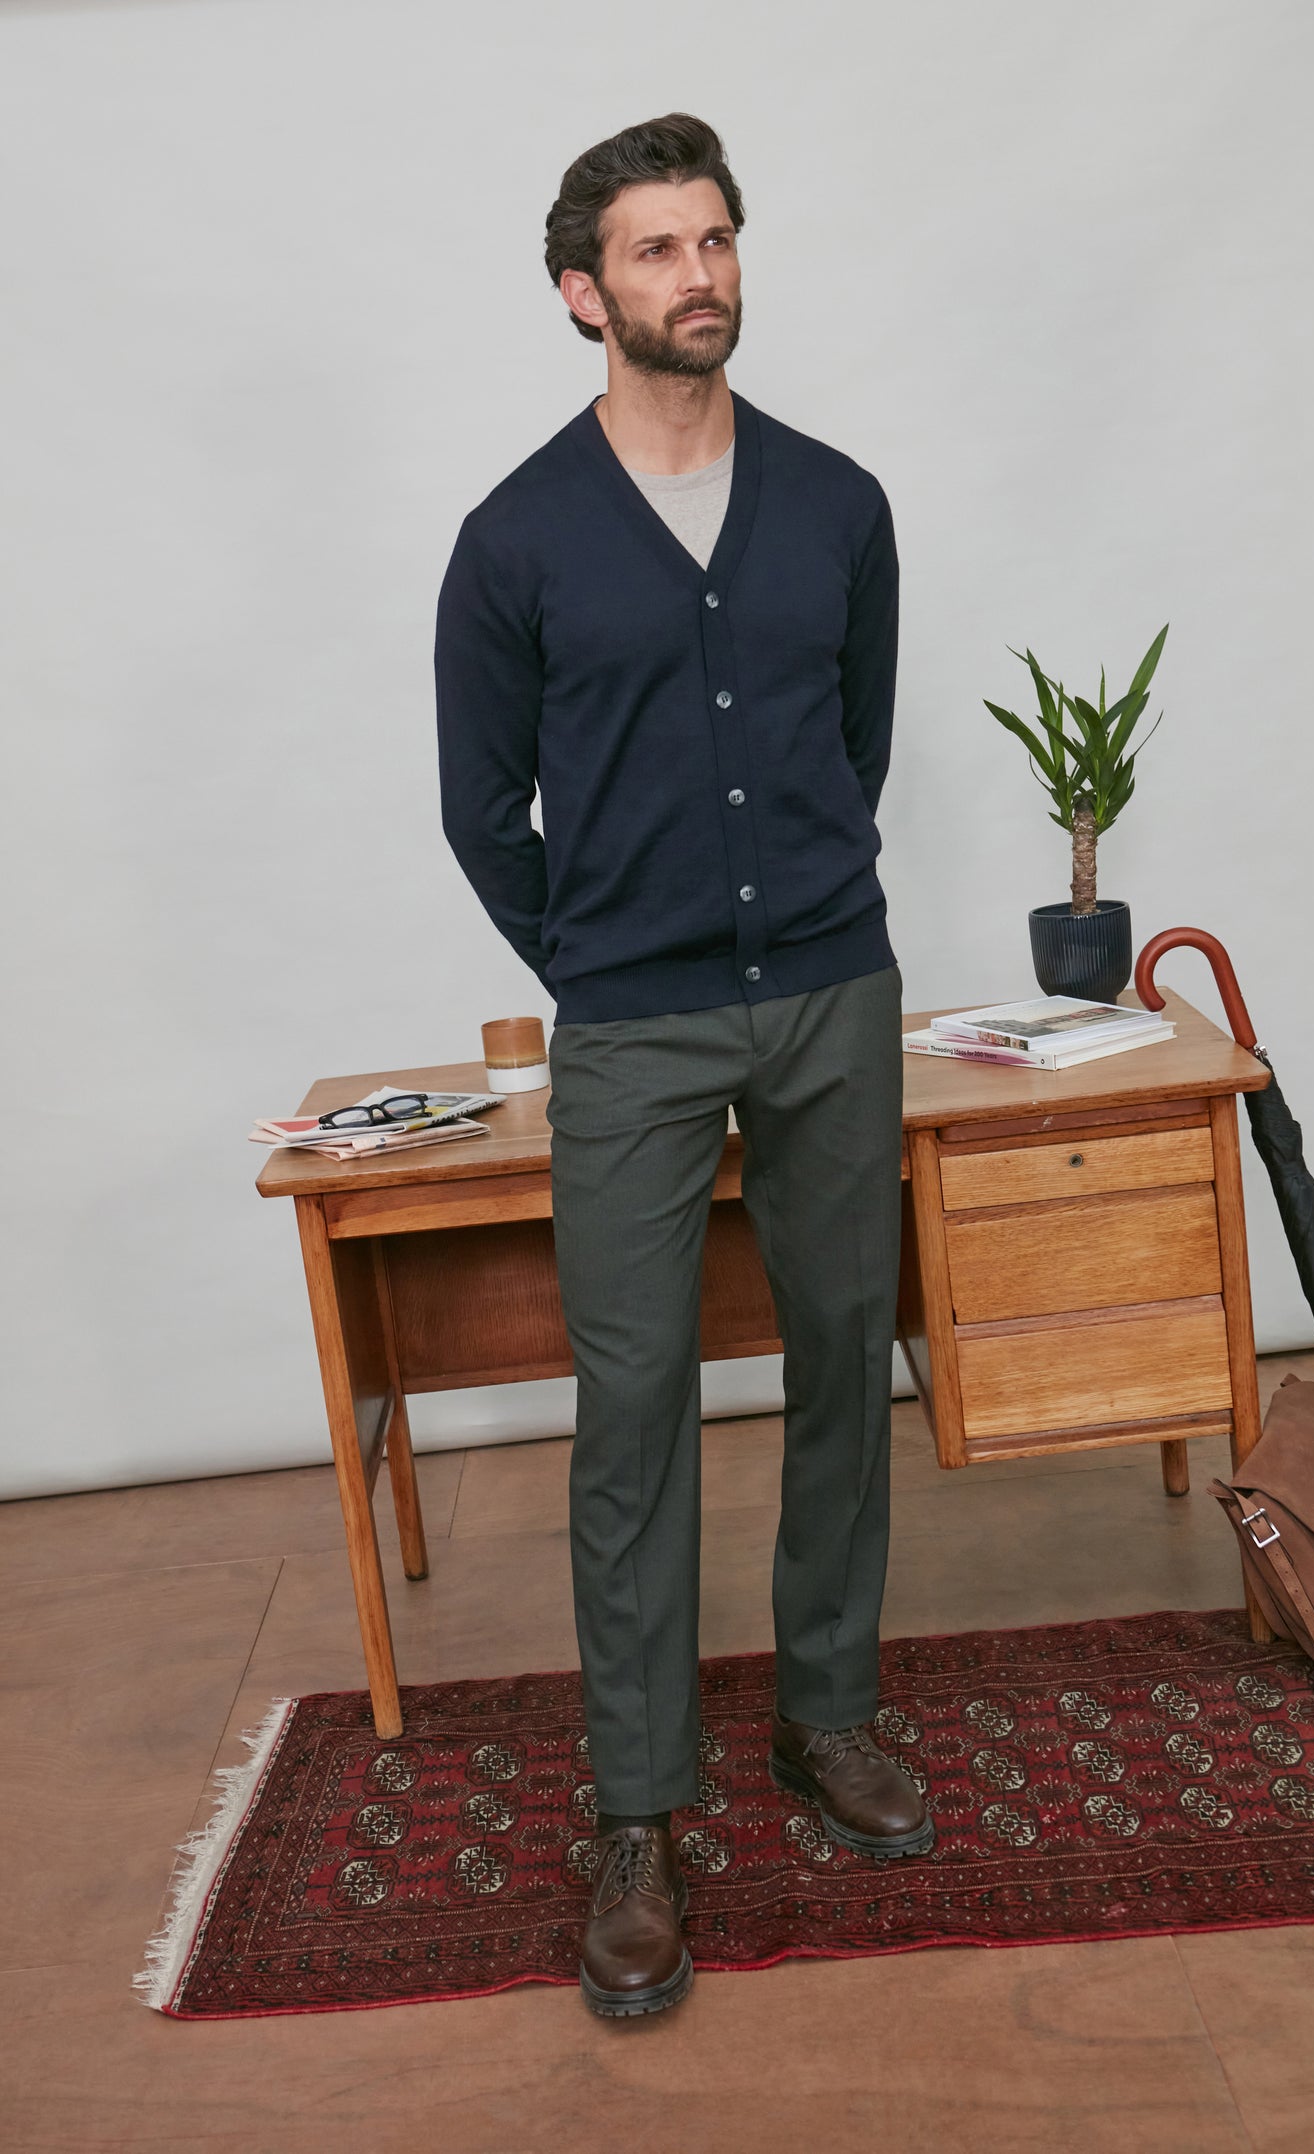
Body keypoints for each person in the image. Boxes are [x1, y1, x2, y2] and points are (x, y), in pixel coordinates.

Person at [435, 111, 932, 2021]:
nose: (696, 274)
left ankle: (828, 1712)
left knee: (837, 1350)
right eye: (654, 250)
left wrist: (791, 921)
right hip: (631, 1026)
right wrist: (602, 952)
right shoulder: (515, 540)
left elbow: (856, 742)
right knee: (632, 1411)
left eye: (714, 239)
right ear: (584, 294)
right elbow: (487, 809)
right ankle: (637, 1812)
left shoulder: (839, 504)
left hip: (830, 995)